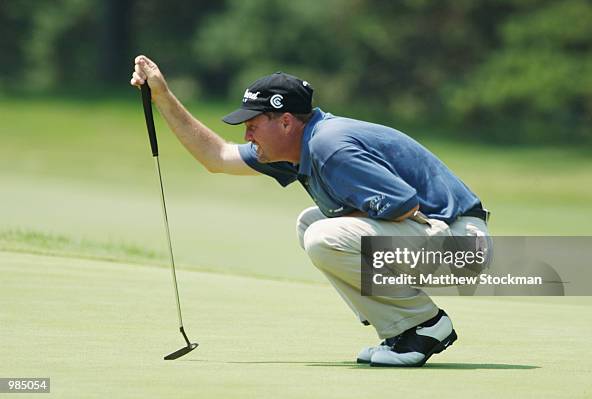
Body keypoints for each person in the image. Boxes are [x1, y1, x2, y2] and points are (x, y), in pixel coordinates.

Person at [130, 55, 491, 367]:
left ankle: (425, 325)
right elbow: (217, 158)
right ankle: (403, 331)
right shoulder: (299, 146)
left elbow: (404, 205)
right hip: (438, 237)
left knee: (324, 235)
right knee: (312, 224)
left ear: (286, 121)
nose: (247, 136)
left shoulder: (329, 146)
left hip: (461, 245)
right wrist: (163, 97)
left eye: (253, 125)